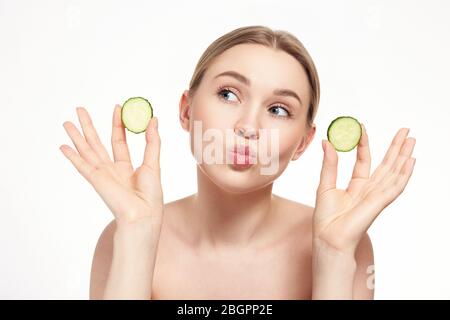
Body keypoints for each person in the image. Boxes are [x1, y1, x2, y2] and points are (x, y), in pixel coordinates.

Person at [59, 25, 416, 299]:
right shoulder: (122, 234)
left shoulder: (346, 240)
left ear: (302, 143)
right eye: (228, 94)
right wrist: (136, 234)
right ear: (186, 110)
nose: (248, 127)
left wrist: (335, 254)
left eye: (279, 109)